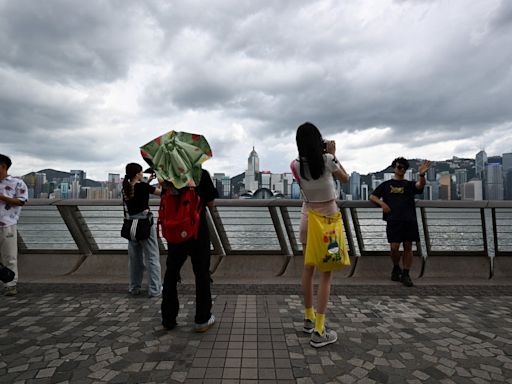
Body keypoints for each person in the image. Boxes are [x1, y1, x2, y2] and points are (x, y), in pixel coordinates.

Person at [291, 122, 349, 348]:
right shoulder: (327, 161)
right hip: (328, 225)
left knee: (308, 269)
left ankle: (308, 318)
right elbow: (344, 178)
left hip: (307, 219)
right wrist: (333, 154)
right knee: (326, 274)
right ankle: (319, 330)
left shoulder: (295, 165)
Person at [161, 168, 218, 333]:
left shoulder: (167, 174)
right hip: (196, 231)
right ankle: (202, 319)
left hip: (175, 231)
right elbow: (210, 203)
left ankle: (168, 319)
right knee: (201, 273)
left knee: (171, 272)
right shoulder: (201, 174)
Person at [369, 157, 431, 287]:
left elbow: (420, 185)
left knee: (408, 247)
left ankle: (406, 274)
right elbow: (373, 196)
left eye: (404, 168)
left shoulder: (409, 184)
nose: (401, 170)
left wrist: (422, 174)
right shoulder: (386, 185)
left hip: (409, 220)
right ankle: (396, 267)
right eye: (399, 167)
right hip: (393, 220)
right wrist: (382, 204)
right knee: (394, 248)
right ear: (394, 168)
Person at [122, 163, 162, 297]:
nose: (142, 174)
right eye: (141, 172)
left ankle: (134, 288)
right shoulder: (143, 187)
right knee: (152, 257)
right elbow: (162, 193)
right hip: (144, 224)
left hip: (131, 225)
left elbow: (137, 194)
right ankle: (155, 289)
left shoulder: (126, 188)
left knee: (135, 259)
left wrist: (148, 181)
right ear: (137, 174)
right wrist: (160, 181)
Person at [0, 154, 28, 296]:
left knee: (9, 256)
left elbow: (21, 201)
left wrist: (2, 197)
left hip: (7, 224)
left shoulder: (17, 183)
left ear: (3, 166)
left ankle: (10, 285)